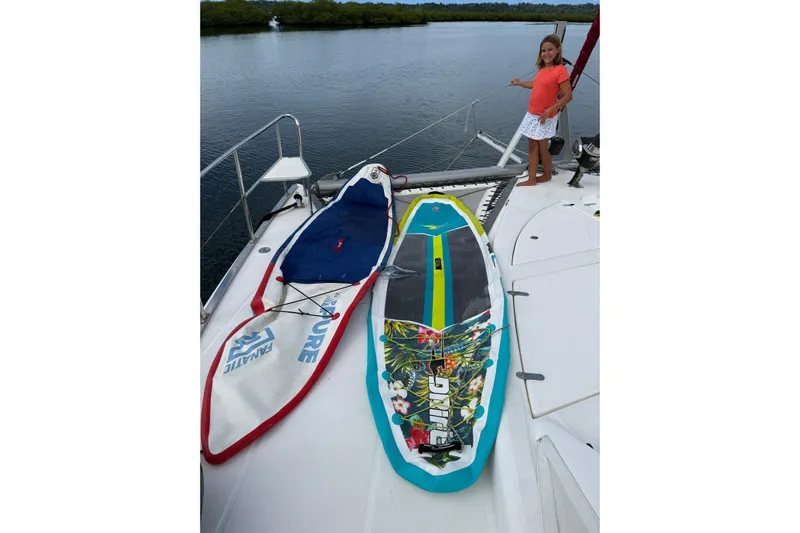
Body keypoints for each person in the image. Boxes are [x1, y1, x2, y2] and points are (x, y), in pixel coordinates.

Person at [509, 34, 573, 186]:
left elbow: (568, 96)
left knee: (534, 147)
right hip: (533, 114)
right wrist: (519, 83)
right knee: (542, 148)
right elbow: (536, 85)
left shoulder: (560, 70)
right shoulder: (543, 69)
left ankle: (532, 179)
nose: (546, 53)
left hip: (545, 116)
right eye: (543, 50)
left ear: (558, 50)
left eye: (550, 50)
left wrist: (550, 109)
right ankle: (547, 175)